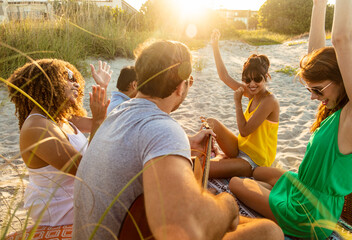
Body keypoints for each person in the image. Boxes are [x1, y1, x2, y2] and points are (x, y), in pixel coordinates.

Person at [72, 40, 284, 240]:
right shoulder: (163, 129)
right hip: (140, 230)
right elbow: (186, 231)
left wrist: (188, 142)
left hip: (110, 229)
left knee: (241, 221)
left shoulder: (118, 112)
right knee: (270, 231)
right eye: (189, 82)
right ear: (181, 87)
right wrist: (228, 205)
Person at [228, 0, 352, 239]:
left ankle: (265, 215)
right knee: (259, 174)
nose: (313, 97)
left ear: (342, 80)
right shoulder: (338, 108)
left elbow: (344, 38)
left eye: (317, 90)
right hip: (303, 187)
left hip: (308, 212)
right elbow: (313, 57)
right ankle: (272, 197)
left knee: (237, 183)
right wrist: (318, 4)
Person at [7, 59, 111, 226]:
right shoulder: (37, 128)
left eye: (74, 77)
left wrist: (102, 87)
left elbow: (102, 124)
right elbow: (84, 171)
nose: (75, 83)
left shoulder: (60, 118)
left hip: (78, 198)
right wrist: (98, 120)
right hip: (60, 210)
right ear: (48, 83)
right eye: (67, 77)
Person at [207, 29, 280, 178]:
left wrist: (238, 102)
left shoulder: (269, 101)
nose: (252, 84)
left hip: (253, 162)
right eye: (247, 80)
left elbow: (245, 131)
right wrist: (215, 45)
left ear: (266, 77)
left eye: (257, 79)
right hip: (239, 148)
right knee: (210, 123)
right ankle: (201, 152)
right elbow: (224, 76)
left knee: (206, 168)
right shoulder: (251, 92)